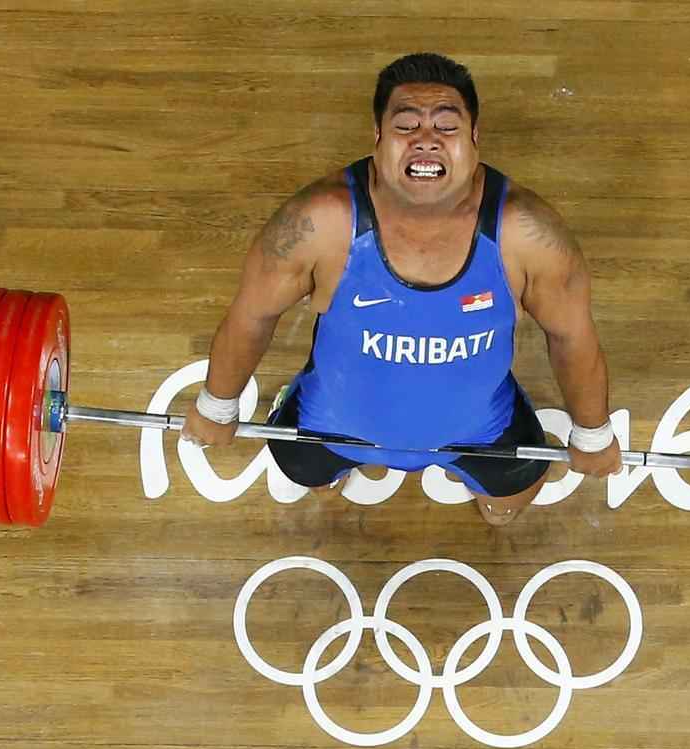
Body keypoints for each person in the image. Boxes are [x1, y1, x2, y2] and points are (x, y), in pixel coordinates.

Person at [181, 52, 622, 525]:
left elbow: (571, 336)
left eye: (447, 127)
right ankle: (329, 458)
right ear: (377, 138)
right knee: (311, 479)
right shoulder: (318, 223)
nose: (426, 141)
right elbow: (254, 315)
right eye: (407, 126)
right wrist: (217, 403)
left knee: (506, 507)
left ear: (474, 138)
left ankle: (489, 491)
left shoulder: (527, 233)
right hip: (329, 425)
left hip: (482, 431)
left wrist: (593, 434)